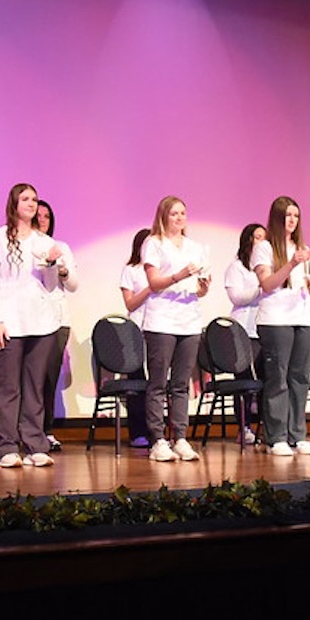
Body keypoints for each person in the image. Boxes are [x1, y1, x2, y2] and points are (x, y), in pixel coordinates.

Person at [0, 183, 63, 468]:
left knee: (34, 386)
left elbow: (51, 286)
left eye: (34, 199)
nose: (31, 203)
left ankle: (35, 444)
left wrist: (52, 264)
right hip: (10, 323)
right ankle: (7, 447)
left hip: (41, 324)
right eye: (25, 198)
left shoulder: (43, 241)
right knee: (7, 387)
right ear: (13, 203)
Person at [141, 196, 211, 462]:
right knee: (158, 382)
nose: (180, 218)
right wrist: (179, 275)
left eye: (183, 213)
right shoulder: (153, 243)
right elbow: (154, 283)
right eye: (174, 214)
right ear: (163, 216)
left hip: (189, 320)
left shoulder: (194, 246)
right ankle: (157, 439)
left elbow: (198, 286)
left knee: (181, 384)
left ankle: (180, 437)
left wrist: (203, 288)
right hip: (162, 320)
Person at [253, 197, 310, 456]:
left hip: (303, 318)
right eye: (288, 215)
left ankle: (298, 434)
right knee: (278, 378)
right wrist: (291, 263)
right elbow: (268, 284)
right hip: (276, 319)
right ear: (277, 217)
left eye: (296, 215)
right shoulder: (264, 247)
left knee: (300, 376)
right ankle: (277, 436)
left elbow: (308, 286)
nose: (292, 220)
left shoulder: (302, 246)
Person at [34, 199, 79, 451]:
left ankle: (46, 430)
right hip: (30, 319)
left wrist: (63, 272)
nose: (42, 220)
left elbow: (73, 285)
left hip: (57, 321)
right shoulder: (24, 246)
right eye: (38, 215)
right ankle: (27, 429)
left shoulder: (60, 247)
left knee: (49, 377)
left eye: (46, 216)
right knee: (30, 377)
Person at [224, 223, 266, 445]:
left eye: (264, 237)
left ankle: (265, 426)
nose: (261, 241)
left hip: (263, 327)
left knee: (265, 379)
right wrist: (261, 288)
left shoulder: (267, 265)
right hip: (243, 330)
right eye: (257, 237)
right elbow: (237, 297)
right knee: (244, 381)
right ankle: (244, 426)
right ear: (248, 240)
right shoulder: (237, 267)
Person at [119, 228, 153, 448]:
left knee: (155, 383)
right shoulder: (130, 270)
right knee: (137, 383)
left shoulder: (161, 268)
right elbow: (130, 303)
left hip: (157, 328)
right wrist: (151, 288)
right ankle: (137, 431)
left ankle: (156, 431)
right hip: (135, 332)